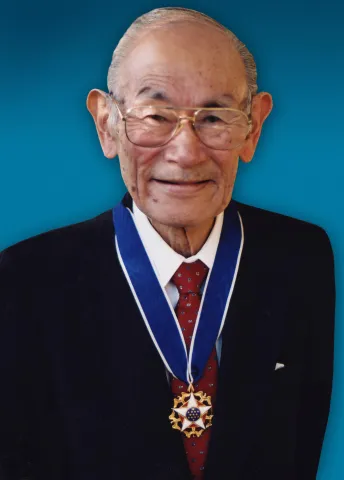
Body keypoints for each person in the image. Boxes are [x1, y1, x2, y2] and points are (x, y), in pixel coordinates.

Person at [0, 7, 335, 480]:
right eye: (156, 115)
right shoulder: (25, 280)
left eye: (215, 117)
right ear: (107, 124)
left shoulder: (302, 257)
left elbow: (301, 444)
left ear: (253, 127)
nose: (185, 150)